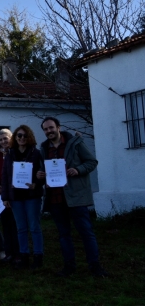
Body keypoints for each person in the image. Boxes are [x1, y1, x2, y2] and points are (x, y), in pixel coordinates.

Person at [37, 117, 108, 277]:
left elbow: (91, 161)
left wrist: (78, 170)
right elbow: (43, 169)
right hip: (56, 198)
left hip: (76, 197)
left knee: (86, 232)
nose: (49, 131)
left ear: (58, 127)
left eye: (51, 128)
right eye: (46, 129)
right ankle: (69, 266)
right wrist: (40, 174)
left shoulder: (75, 143)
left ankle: (95, 266)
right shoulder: (44, 149)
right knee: (63, 235)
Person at [2, 125, 45, 269]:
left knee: (34, 227)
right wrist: (5, 197)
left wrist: (36, 184)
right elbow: (5, 176)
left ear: (30, 137)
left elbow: (43, 173)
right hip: (15, 197)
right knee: (21, 228)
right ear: (15, 137)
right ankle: (24, 256)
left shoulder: (36, 153)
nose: (21, 138)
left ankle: (38, 256)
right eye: (19, 135)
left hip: (32, 195)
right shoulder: (9, 154)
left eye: (25, 136)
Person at [0, 128, 19, 263]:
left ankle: (19, 253)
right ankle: (9, 252)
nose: (3, 141)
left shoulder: (17, 152)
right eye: (0, 140)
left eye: (5, 138)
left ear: (11, 138)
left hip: (16, 193)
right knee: (6, 225)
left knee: (17, 225)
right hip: (3, 194)